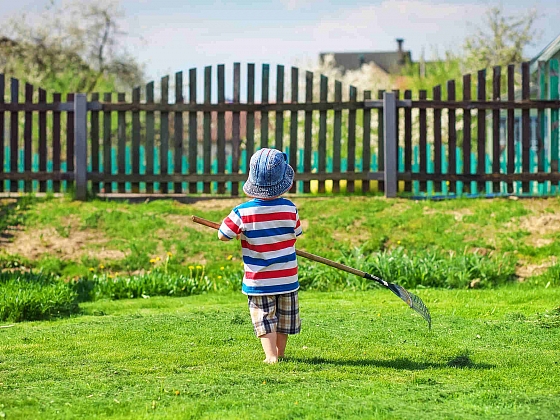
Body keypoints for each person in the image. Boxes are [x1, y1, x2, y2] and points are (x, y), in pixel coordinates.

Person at [218, 148, 302, 364]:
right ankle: (280, 353)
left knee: (264, 317)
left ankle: (270, 356)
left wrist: (238, 232)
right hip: (287, 277)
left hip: (260, 280)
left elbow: (223, 235)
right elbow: (296, 232)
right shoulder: (290, 208)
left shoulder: (242, 212)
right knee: (284, 319)